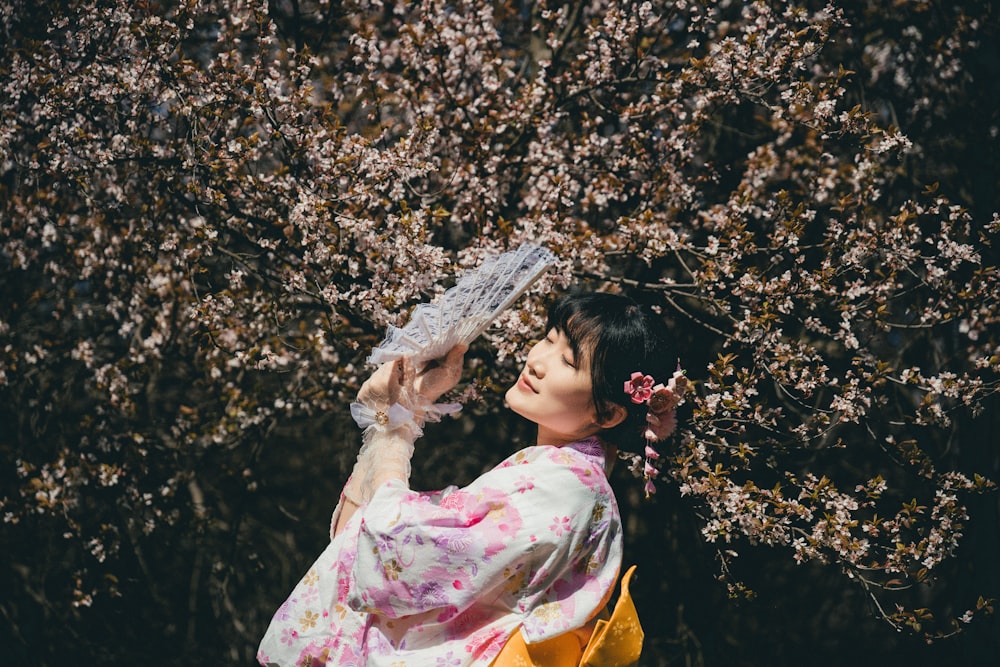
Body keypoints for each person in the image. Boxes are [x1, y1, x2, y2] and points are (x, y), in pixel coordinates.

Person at [257, 291, 685, 666]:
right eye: (548, 340)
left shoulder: (564, 488)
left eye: (567, 360)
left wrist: (394, 426)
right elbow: (361, 540)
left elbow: (393, 542)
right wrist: (400, 416)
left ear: (608, 413)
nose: (536, 361)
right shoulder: (559, 479)